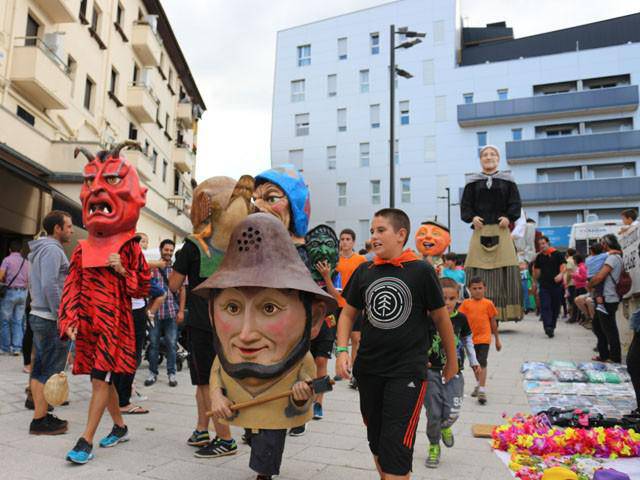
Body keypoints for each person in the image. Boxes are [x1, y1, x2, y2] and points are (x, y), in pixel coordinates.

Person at [202, 213, 337, 480]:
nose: (246, 333)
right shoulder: (229, 355)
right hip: (246, 407)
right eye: (231, 307)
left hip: (276, 406)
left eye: (269, 308)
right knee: (257, 435)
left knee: (269, 441)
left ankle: (264, 473)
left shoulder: (301, 358)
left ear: (315, 318)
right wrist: (217, 396)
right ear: (211, 312)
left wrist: (301, 393)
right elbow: (218, 373)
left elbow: (307, 386)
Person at [335, 208, 457, 480]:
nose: (374, 236)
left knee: (397, 449)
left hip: (407, 372)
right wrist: (342, 351)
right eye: (372, 231)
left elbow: (441, 317)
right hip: (368, 371)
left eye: (381, 230)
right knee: (377, 442)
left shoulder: (421, 271)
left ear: (401, 234)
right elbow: (347, 313)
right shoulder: (364, 271)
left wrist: (452, 360)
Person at [59, 142, 151, 464]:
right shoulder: (82, 249)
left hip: (115, 326)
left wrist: (123, 270)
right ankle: (120, 426)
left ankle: (85, 440)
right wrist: (68, 319)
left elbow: (143, 287)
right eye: (90, 182)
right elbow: (73, 285)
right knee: (103, 380)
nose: (97, 191)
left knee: (101, 379)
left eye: (110, 180)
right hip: (89, 325)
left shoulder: (130, 246)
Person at [170, 175, 252, 458]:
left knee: (206, 382)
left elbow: (173, 284)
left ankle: (225, 438)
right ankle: (201, 429)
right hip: (230, 325)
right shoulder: (236, 246)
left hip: (202, 324)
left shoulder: (193, 246)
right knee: (211, 380)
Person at [461, 145, 523, 322]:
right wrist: (471, 217)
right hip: (479, 231)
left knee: (506, 269)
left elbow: (515, 203)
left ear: (498, 159)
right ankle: (475, 312)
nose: (489, 157)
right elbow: (465, 205)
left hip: (502, 231)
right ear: (480, 160)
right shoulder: (472, 182)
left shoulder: (508, 180)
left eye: (492, 154)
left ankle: (503, 313)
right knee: (476, 268)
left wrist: (509, 218)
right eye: (485, 155)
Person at [424, 278, 479, 468]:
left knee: (452, 412)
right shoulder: (428, 317)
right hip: (430, 373)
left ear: (458, 299)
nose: (447, 302)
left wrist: (474, 361)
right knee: (433, 413)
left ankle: (445, 427)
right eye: (443, 298)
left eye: (451, 298)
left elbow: (467, 340)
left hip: (455, 373)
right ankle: (433, 445)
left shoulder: (461, 319)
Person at [27, 210, 73, 435]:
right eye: (69, 227)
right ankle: (40, 420)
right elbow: (50, 284)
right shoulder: (52, 250)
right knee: (49, 370)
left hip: (40, 314)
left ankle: (41, 414)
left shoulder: (40, 248)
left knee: (40, 369)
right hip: (49, 317)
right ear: (58, 228)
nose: (71, 231)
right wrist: (61, 314)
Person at [145, 239, 185, 388]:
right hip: (155, 314)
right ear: (161, 250)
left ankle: (171, 374)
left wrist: (181, 311)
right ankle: (152, 373)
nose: (168, 252)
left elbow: (182, 291)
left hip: (171, 313)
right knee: (154, 344)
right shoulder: (153, 268)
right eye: (166, 250)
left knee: (171, 344)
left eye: (170, 250)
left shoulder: (177, 270)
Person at [459, 277, 501, 405]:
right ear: (470, 289)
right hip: (470, 339)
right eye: (474, 288)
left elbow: (493, 322)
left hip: (484, 338)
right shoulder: (465, 304)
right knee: (474, 363)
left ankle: (482, 390)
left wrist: (497, 339)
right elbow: (460, 320)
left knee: (482, 362)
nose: (477, 291)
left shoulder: (488, 304)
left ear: (485, 289)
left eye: (480, 288)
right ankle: (478, 384)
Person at [335, 228, 367, 387]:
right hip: (338, 303)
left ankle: (354, 370)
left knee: (356, 338)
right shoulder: (335, 260)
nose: (345, 242)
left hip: (355, 304)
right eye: (342, 239)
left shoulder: (360, 260)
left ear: (353, 242)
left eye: (348, 239)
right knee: (341, 338)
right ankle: (339, 368)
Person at [588, 234, 624, 364]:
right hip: (607, 297)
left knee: (609, 329)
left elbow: (600, 277)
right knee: (598, 326)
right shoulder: (613, 256)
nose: (601, 246)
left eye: (602, 243)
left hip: (608, 298)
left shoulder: (613, 258)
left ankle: (614, 358)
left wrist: (590, 284)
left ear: (606, 244)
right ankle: (604, 354)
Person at [533, 236, 566, 338]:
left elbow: (564, 266)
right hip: (544, 286)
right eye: (540, 244)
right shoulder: (539, 257)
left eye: (543, 243)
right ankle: (547, 327)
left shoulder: (558, 254)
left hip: (556, 286)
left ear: (548, 243)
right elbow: (537, 272)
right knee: (545, 306)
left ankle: (552, 326)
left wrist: (561, 275)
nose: (542, 246)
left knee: (555, 307)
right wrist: (535, 282)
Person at [0, 239, 29, 355]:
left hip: (10, 292)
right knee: (18, 321)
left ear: (9, 249)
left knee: (5, 321)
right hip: (23, 293)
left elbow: (1, 276)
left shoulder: (7, 260)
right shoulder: (26, 262)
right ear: (21, 250)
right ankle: (17, 348)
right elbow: (29, 279)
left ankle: (5, 347)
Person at [586, 243, 609, 316]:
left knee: (594, 290)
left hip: (589, 277)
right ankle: (600, 305)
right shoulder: (603, 256)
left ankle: (594, 299)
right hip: (596, 277)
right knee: (599, 291)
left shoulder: (587, 259)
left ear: (592, 251)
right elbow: (611, 252)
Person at [570, 253, 587, 324]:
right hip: (578, 286)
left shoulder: (581, 267)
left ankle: (580, 318)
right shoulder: (579, 266)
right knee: (576, 303)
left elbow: (584, 277)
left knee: (579, 303)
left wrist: (574, 275)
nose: (573, 261)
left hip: (581, 287)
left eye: (574, 260)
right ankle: (578, 318)